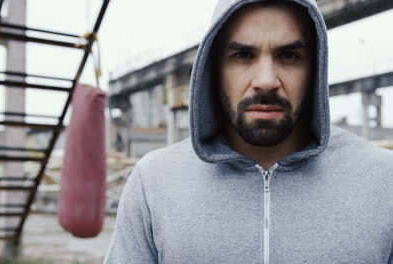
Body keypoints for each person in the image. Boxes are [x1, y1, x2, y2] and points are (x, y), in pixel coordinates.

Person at [103, 0, 393, 263]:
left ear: (316, 67)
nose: (266, 81)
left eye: (289, 55)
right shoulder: (154, 181)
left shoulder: (384, 180)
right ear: (213, 69)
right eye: (242, 55)